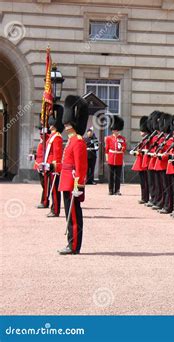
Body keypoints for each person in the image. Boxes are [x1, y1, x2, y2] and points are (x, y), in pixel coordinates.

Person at [57, 95, 88, 255]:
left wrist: (79, 185)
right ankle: (71, 242)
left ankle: (74, 245)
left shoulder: (78, 141)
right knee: (70, 213)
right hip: (67, 181)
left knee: (74, 215)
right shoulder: (71, 140)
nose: (66, 125)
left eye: (68, 122)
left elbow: (81, 166)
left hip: (73, 183)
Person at [44, 107, 65, 217]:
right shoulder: (51, 136)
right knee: (51, 189)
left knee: (55, 190)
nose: (49, 124)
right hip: (49, 166)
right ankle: (53, 207)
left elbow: (57, 154)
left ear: (53, 125)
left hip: (53, 166)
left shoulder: (57, 137)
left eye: (50, 123)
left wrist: (56, 168)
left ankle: (55, 210)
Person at [131, 116, 151, 204]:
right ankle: (144, 197)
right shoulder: (143, 140)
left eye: (142, 130)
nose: (140, 132)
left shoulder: (149, 140)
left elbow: (148, 151)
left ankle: (147, 198)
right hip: (141, 163)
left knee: (147, 182)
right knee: (143, 182)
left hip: (146, 163)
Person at [105, 116, 126, 195]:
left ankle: (117, 190)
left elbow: (124, 147)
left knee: (117, 176)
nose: (115, 131)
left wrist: (122, 148)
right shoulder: (108, 138)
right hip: (111, 158)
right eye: (114, 130)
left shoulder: (122, 138)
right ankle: (110, 190)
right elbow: (106, 149)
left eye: (116, 130)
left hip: (119, 159)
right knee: (110, 176)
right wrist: (107, 159)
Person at [35, 128, 50, 209]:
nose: (41, 135)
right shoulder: (42, 140)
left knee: (45, 186)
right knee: (43, 185)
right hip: (39, 165)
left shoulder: (47, 141)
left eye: (42, 133)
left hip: (43, 166)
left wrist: (44, 166)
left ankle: (44, 202)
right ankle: (44, 201)